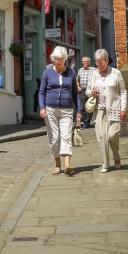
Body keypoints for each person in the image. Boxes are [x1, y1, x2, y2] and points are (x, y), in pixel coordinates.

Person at [39, 45, 82, 175]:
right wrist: (42, 108)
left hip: (67, 109)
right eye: (56, 61)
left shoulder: (71, 73)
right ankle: (57, 165)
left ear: (65, 60)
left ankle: (67, 164)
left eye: (61, 61)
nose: (58, 63)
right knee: (54, 138)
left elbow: (75, 93)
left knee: (66, 135)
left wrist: (79, 110)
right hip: (50, 109)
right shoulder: (47, 73)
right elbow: (41, 92)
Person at [88, 49, 128, 172]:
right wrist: (91, 92)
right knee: (102, 137)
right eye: (98, 62)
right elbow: (87, 90)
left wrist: (123, 108)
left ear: (107, 61)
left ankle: (116, 157)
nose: (100, 65)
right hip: (99, 110)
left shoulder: (116, 73)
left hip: (114, 108)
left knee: (112, 135)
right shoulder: (94, 74)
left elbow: (123, 91)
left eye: (102, 62)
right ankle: (105, 164)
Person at [75, 56, 93, 128]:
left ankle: (88, 122)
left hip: (90, 91)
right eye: (82, 61)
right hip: (82, 91)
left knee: (90, 106)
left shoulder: (93, 70)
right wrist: (78, 87)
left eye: (84, 61)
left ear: (89, 62)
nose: (83, 63)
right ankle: (85, 122)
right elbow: (77, 81)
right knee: (82, 107)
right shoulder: (80, 70)